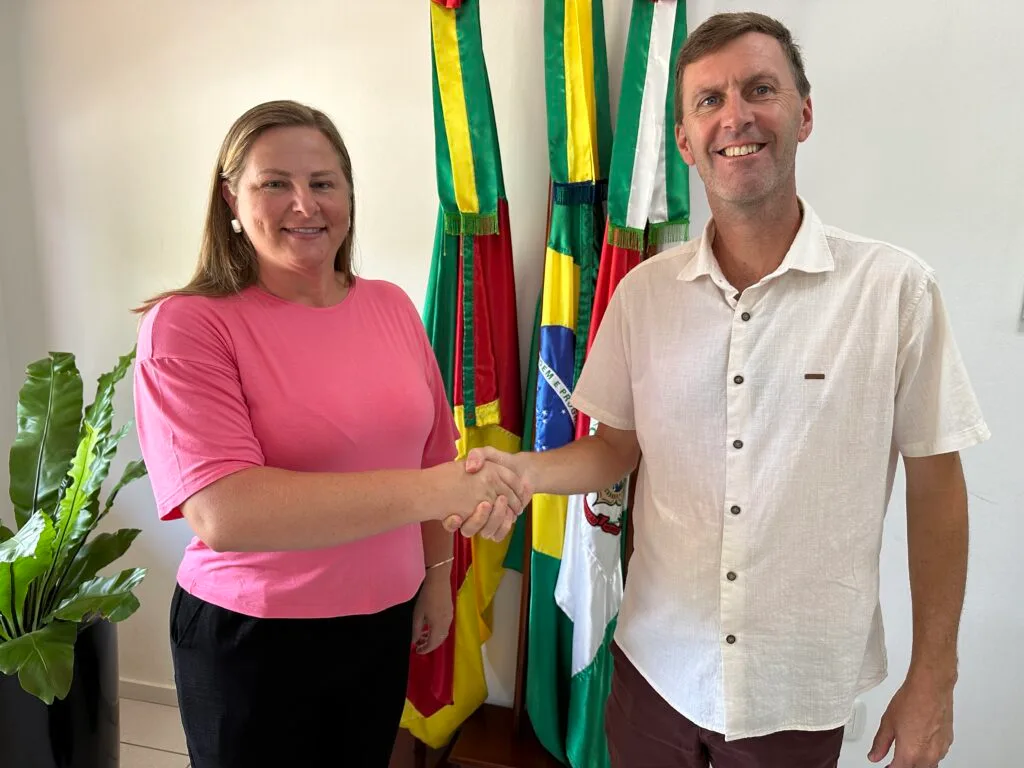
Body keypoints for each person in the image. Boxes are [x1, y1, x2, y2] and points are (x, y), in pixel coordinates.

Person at [463, 12, 989, 768]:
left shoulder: (894, 290)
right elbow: (614, 446)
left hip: (797, 695)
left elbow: (937, 485)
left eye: (760, 89)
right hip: (653, 676)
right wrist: (526, 471)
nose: (734, 116)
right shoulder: (643, 295)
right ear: (684, 141)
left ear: (804, 114)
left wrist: (935, 674)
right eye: (708, 100)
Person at [132, 100, 523, 768]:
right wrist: (438, 490)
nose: (304, 205)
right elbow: (228, 512)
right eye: (274, 183)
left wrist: (434, 579)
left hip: (380, 621)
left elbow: (432, 454)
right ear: (231, 197)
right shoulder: (188, 325)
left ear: (348, 195)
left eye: (323, 183)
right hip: (254, 639)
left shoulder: (390, 305)